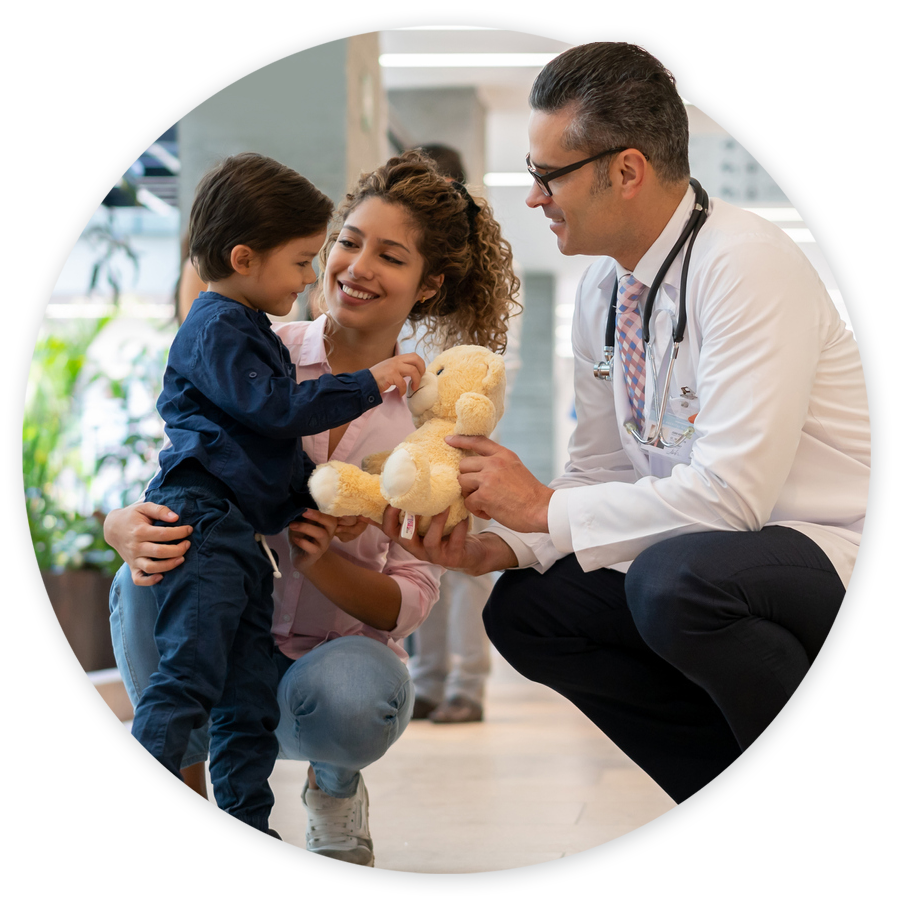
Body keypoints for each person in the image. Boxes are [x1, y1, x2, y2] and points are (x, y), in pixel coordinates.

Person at [378, 42, 872, 876]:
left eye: (549, 174)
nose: (533, 196)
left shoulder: (746, 265)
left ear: (628, 170)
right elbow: (603, 471)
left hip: (839, 563)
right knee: (529, 611)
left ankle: (854, 809)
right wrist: (507, 546)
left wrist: (540, 508)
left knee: (675, 581)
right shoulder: (607, 291)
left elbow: (732, 499)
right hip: (725, 559)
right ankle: (765, 796)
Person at [102, 149, 520, 870]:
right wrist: (120, 526)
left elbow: (413, 596)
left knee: (356, 697)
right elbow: (186, 464)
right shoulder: (251, 345)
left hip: (326, 662)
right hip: (232, 622)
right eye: (346, 243)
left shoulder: (430, 427)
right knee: (142, 589)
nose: (354, 267)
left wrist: (322, 558)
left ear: (430, 284)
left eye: (390, 256)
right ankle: (180, 809)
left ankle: (333, 787)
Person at [403, 143, 510, 724]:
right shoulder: (405, 260)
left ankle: (467, 686)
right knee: (424, 558)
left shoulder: (477, 271)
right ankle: (428, 679)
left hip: (468, 434)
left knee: (466, 568)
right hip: (415, 438)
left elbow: (490, 368)